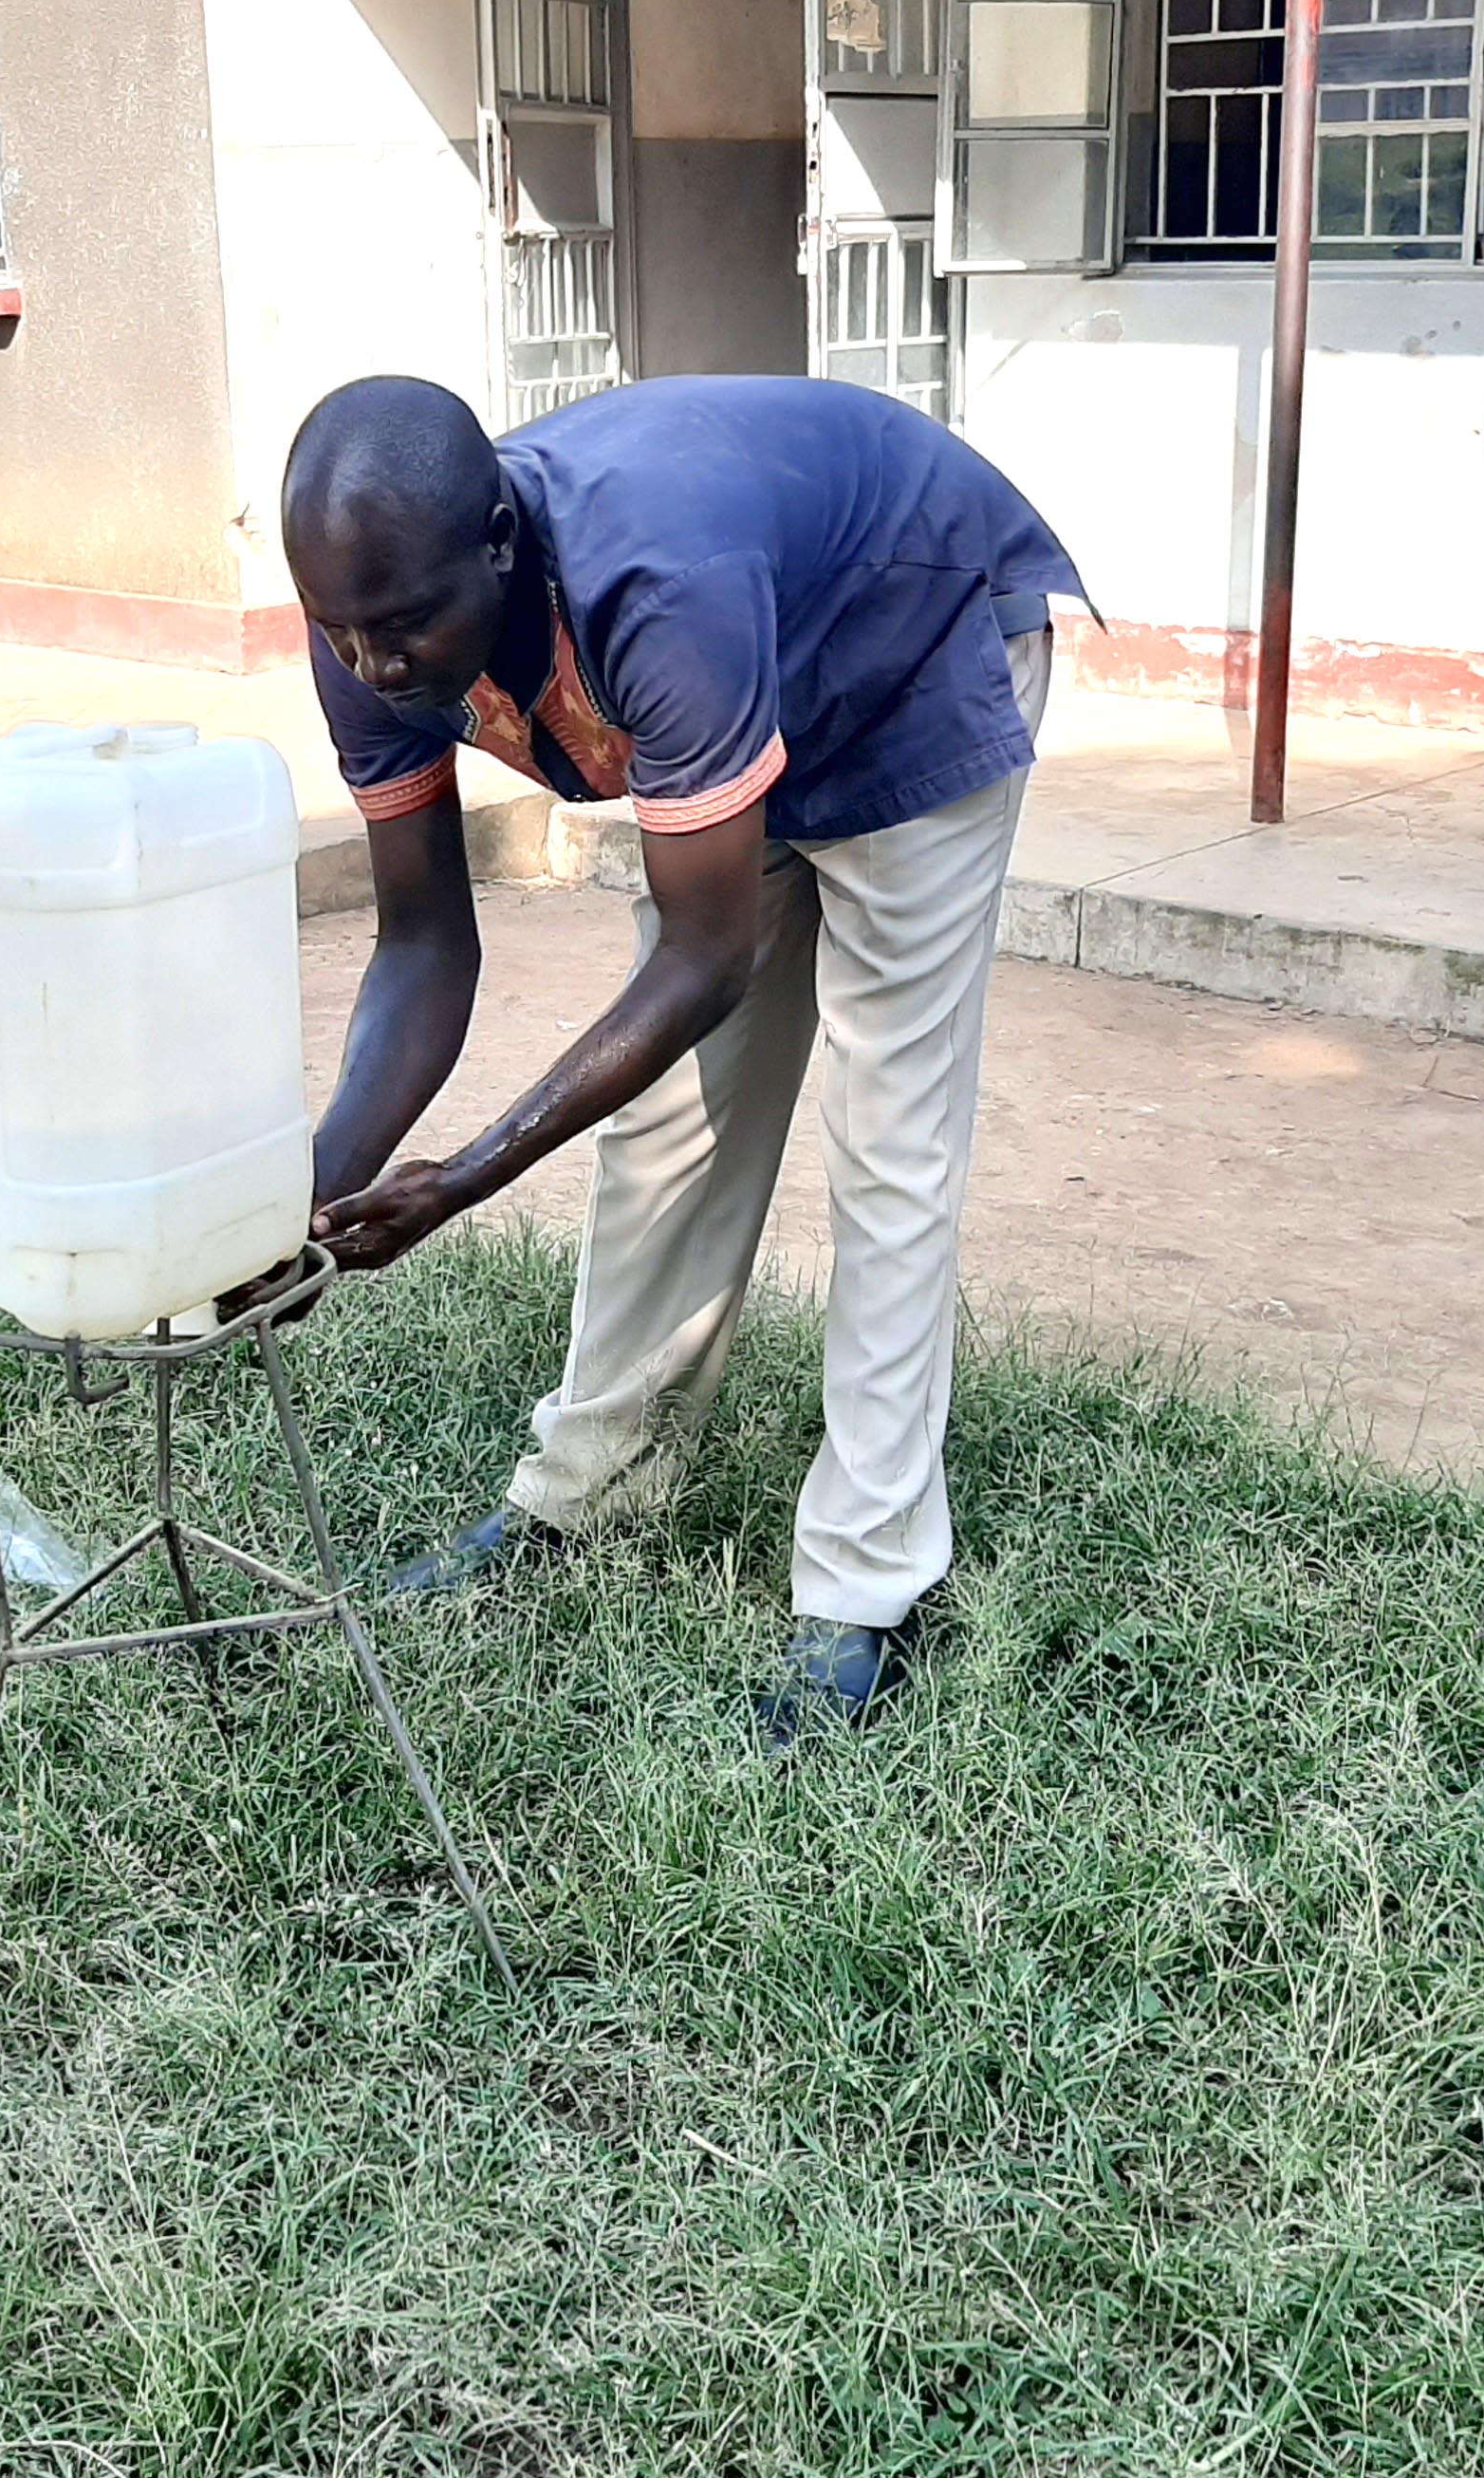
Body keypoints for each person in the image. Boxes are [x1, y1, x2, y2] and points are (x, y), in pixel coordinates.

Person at [282, 372, 1081, 1741]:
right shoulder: (365, 614)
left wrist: (466, 1177)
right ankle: (589, 1488)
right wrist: (301, 1201)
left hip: (909, 654)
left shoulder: (655, 578)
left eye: (406, 625)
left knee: (887, 1132)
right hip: (738, 702)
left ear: (500, 543)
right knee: (666, 1133)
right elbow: (422, 946)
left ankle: (863, 1590)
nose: (379, 669)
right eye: (345, 632)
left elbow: (705, 957)